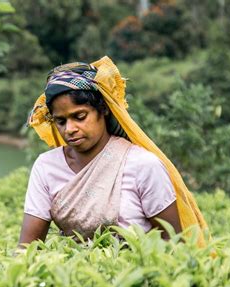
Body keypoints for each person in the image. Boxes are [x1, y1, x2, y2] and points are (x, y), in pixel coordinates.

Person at [18, 56, 208, 248]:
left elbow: (173, 241)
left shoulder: (142, 165)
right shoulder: (47, 167)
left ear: (103, 110)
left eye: (80, 116)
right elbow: (27, 248)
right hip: (74, 274)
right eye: (61, 121)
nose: (69, 129)